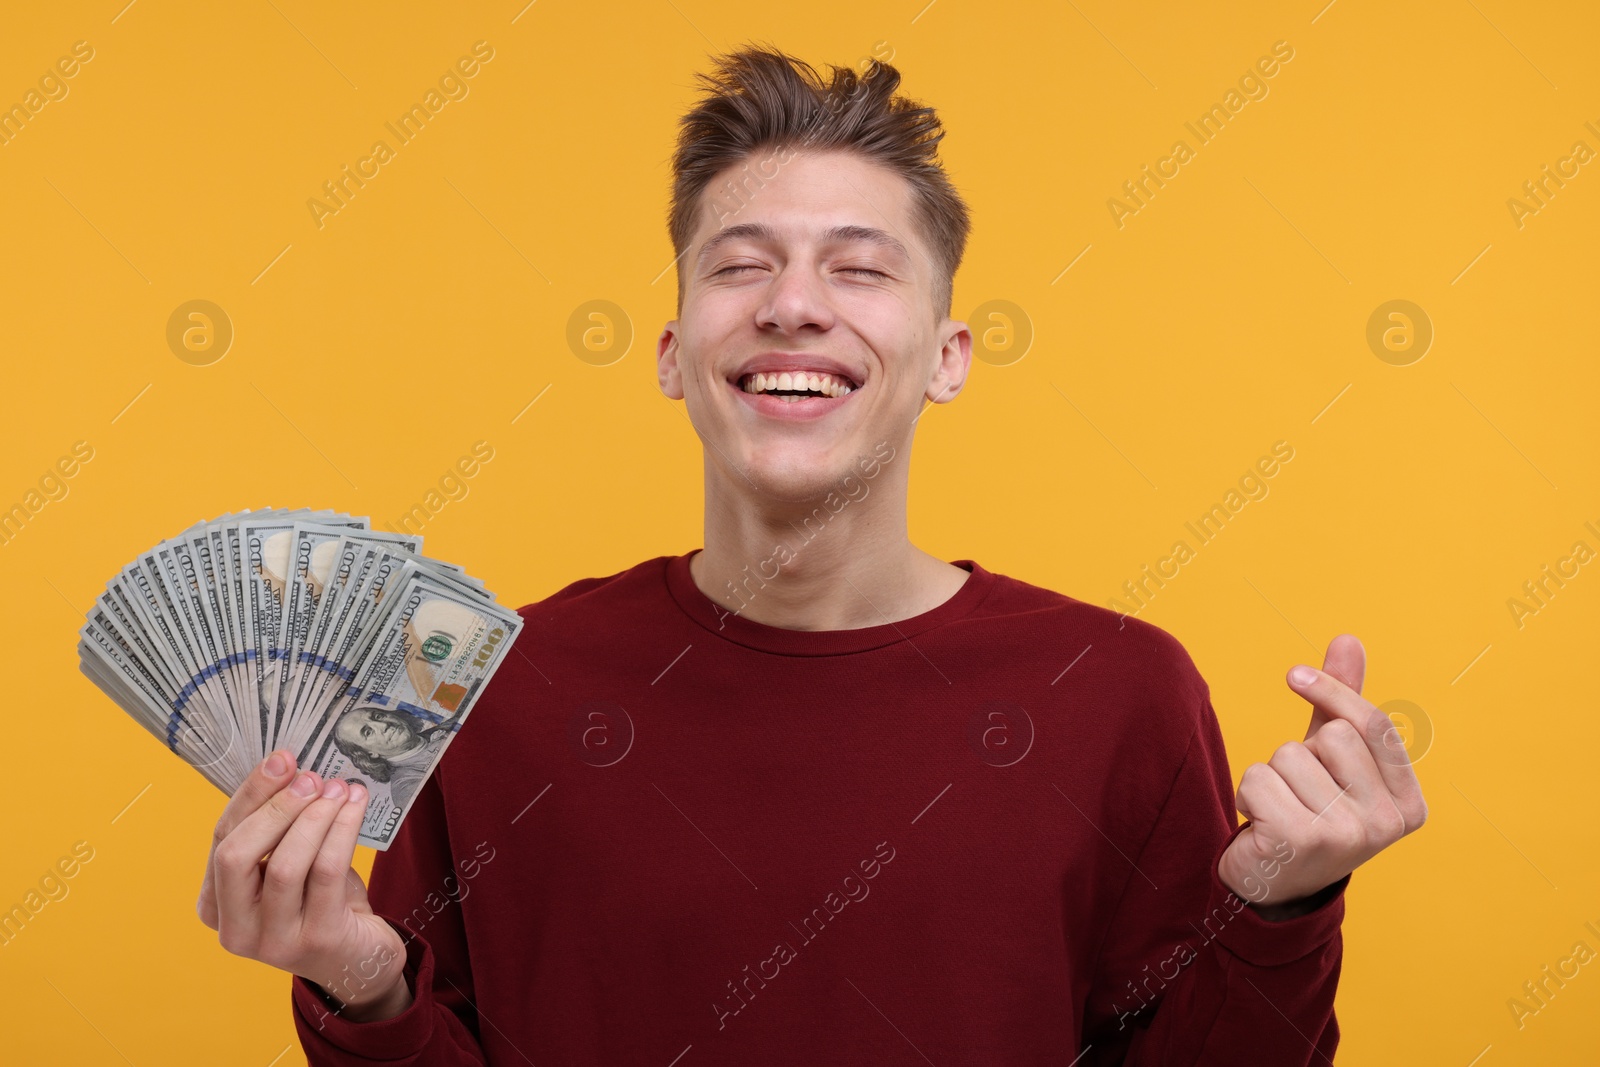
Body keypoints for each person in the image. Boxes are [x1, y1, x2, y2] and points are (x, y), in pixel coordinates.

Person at [198, 44, 1427, 1065]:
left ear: (947, 355)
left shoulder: (1119, 692)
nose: (793, 303)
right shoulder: (487, 681)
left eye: (859, 265)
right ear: (676, 352)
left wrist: (1283, 910)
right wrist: (363, 987)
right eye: (742, 264)